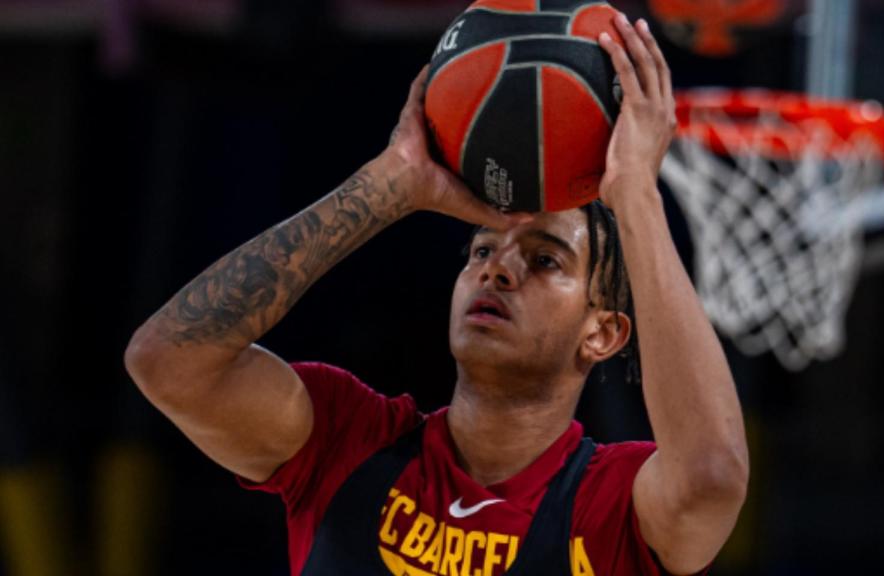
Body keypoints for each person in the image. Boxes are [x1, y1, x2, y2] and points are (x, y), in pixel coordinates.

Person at [125, 14, 748, 576]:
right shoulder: (349, 442)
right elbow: (168, 360)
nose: (497, 271)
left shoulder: (604, 503)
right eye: (481, 251)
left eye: (545, 260)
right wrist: (390, 183)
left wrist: (636, 194)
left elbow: (711, 476)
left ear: (603, 333)